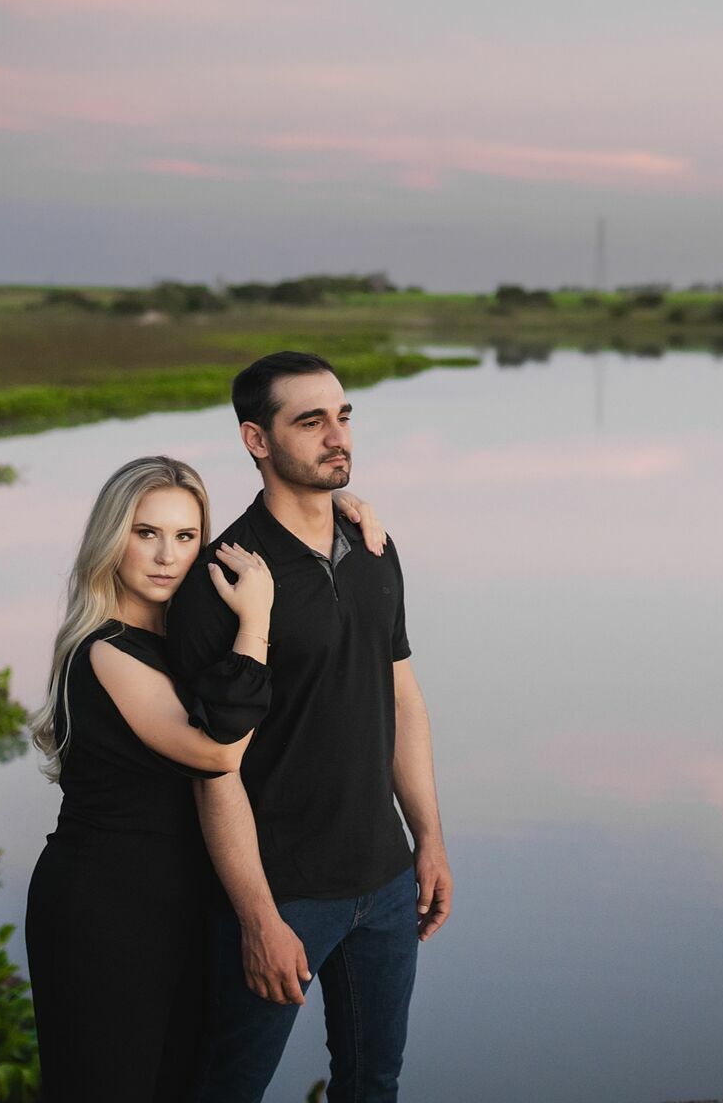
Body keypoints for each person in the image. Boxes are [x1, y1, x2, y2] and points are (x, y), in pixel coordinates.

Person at [23, 454, 389, 1103]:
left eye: (186, 537)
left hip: (183, 905)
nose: (168, 555)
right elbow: (215, 753)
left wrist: (332, 508)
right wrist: (255, 622)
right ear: (113, 538)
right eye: (147, 533)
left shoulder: (178, 640)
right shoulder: (106, 651)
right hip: (105, 906)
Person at [170, 352, 452, 1103]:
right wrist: (258, 917)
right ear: (257, 441)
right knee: (229, 1088)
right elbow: (213, 768)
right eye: (310, 420)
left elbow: (403, 698)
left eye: (344, 415)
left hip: (386, 883)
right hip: (281, 893)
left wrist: (427, 838)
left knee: (374, 1082)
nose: (338, 437)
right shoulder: (224, 580)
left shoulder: (374, 550)